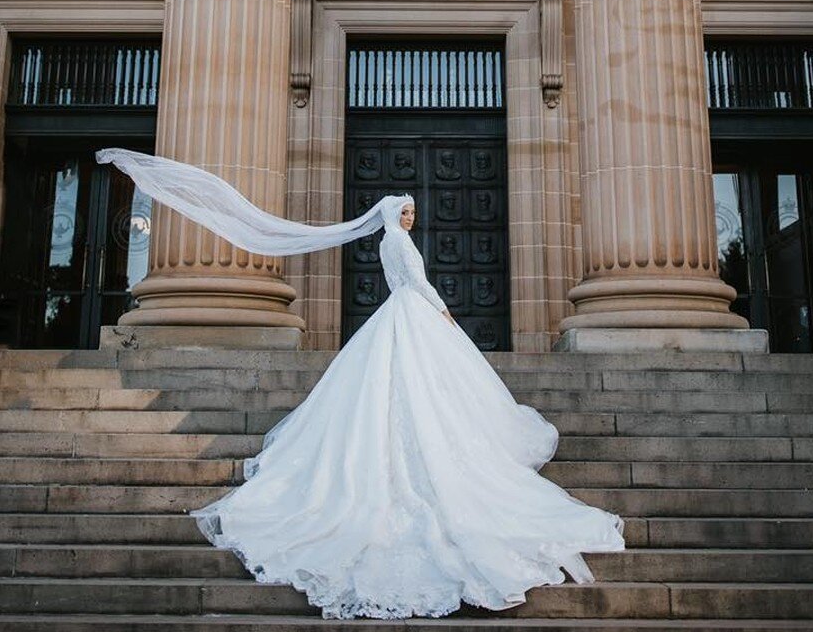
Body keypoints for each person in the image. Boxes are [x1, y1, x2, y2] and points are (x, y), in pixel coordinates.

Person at [96, 149, 624, 620]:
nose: (414, 216)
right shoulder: (401, 243)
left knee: (394, 394)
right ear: (396, 214)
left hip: (397, 318)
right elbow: (416, 284)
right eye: (408, 210)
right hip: (413, 314)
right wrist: (445, 315)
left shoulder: (389, 240)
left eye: (413, 210)